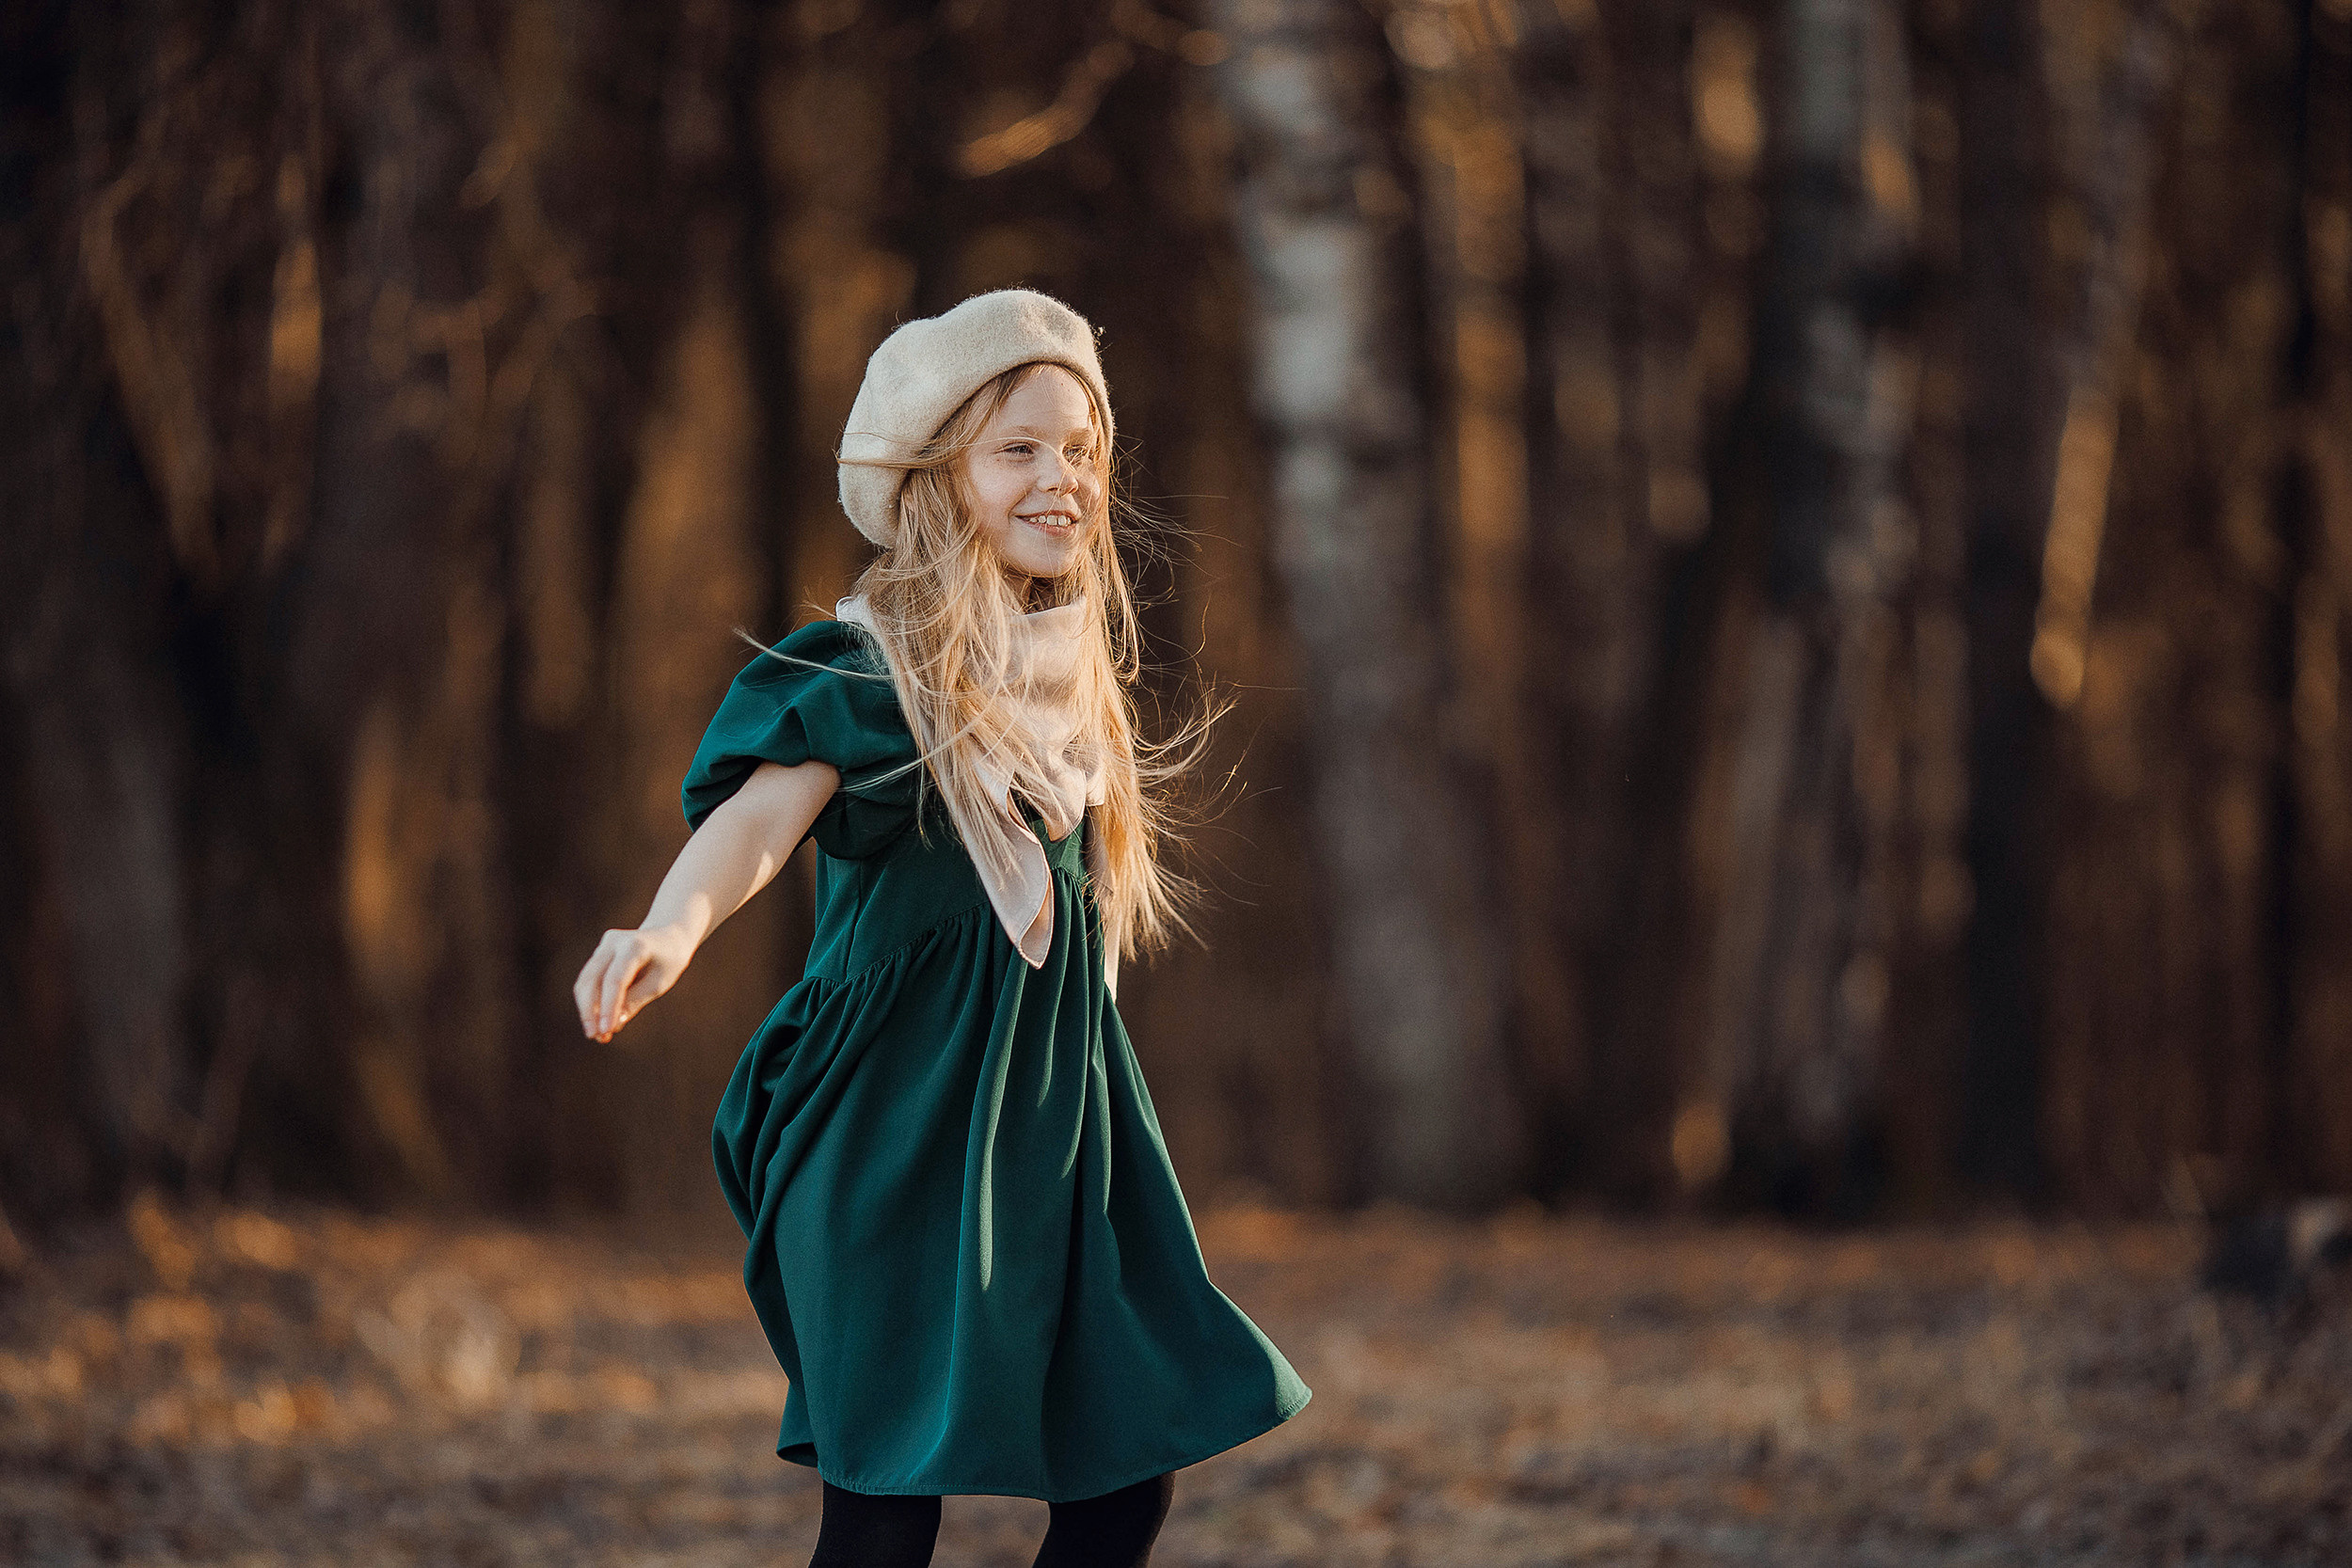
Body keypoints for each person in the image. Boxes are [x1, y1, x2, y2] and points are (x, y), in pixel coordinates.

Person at [571, 289, 1311, 1568]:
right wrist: (666, 930)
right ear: (933, 479)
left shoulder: (1072, 686)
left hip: (1053, 1138)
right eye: (1017, 449)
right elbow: (757, 822)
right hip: (889, 1135)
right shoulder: (874, 672)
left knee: (1122, 1487)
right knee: (882, 1516)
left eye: (1079, 449)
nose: (1060, 477)